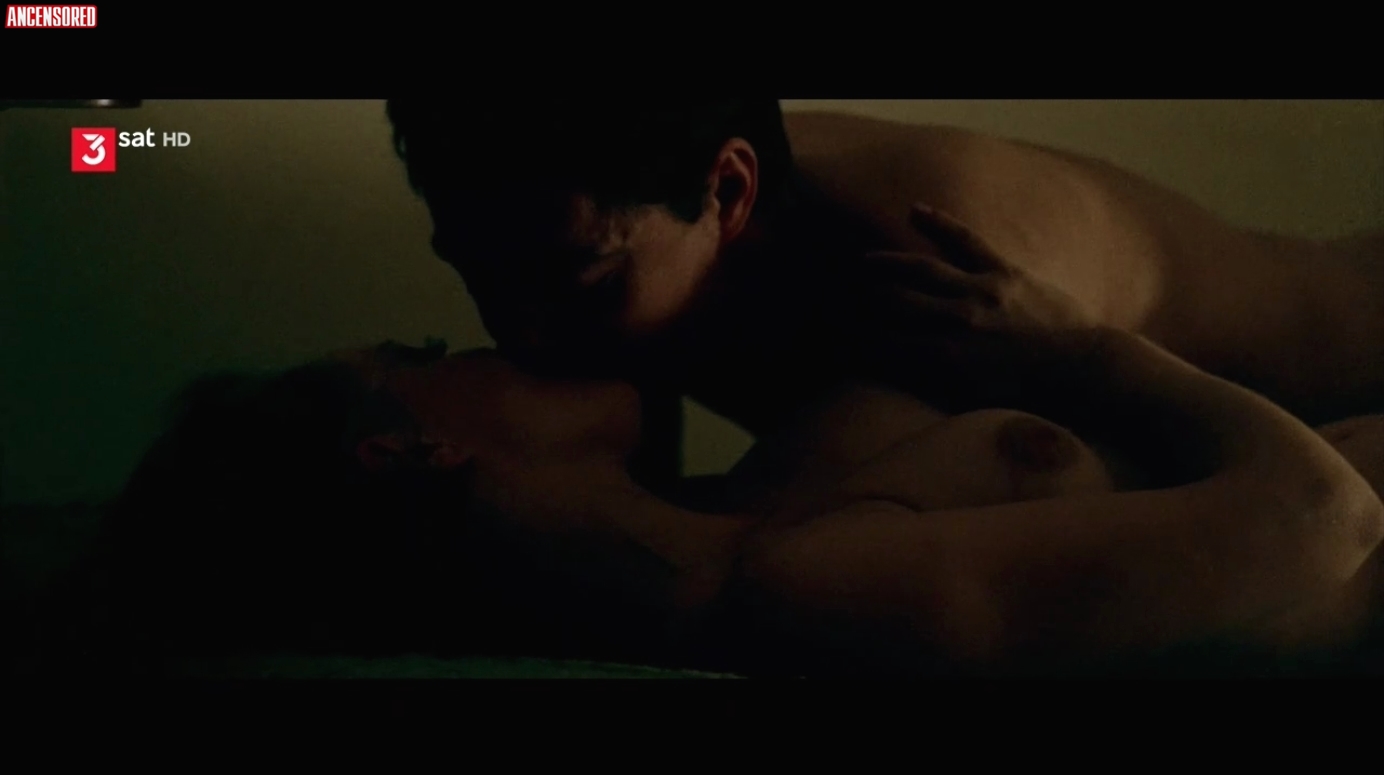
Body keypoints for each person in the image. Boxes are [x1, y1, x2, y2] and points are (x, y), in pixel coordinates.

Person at [44, 244, 1384, 677]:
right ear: (412, 445)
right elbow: (1323, 518)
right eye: (431, 347)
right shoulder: (794, 585)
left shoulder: (758, 494)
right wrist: (1078, 351)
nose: (493, 335)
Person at [382, 99, 1384, 475]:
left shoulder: (926, 259)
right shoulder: (639, 215)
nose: (521, 330)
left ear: (728, 192)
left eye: (582, 279)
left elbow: (758, 551)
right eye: (473, 271)